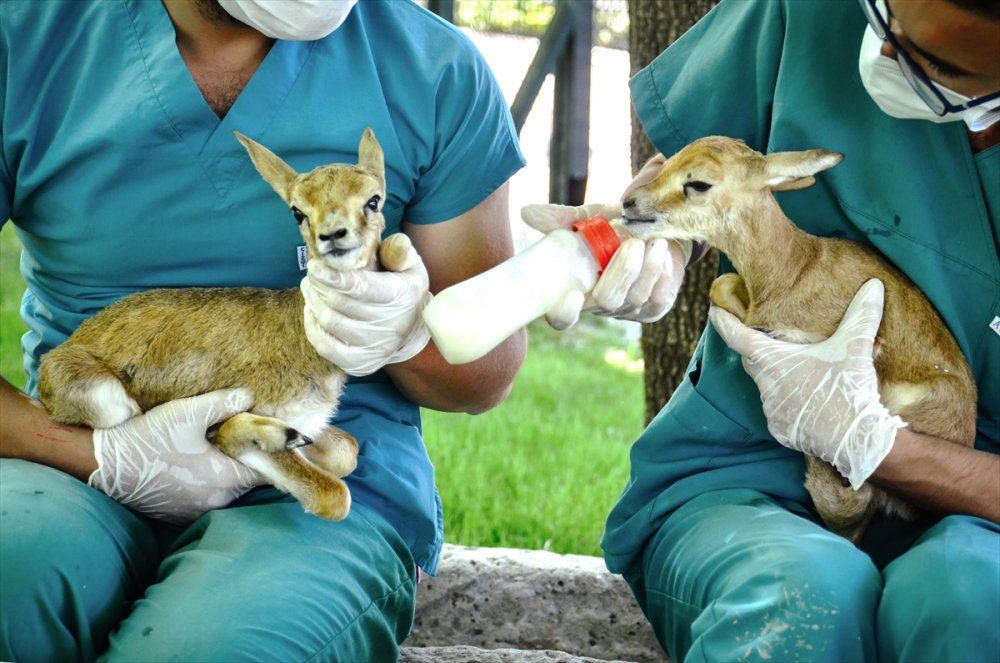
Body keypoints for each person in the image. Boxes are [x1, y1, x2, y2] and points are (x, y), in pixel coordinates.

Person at [0, 1, 683, 660]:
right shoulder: (28, 38)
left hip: (321, 489)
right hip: (71, 457)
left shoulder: (429, 70)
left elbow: (487, 370)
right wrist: (92, 456)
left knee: (219, 648)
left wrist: (408, 332)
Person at [600, 0, 1000, 661]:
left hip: (976, 516)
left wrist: (872, 443)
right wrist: (660, 251)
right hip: (750, 474)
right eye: (882, 13)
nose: (885, 52)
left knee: (969, 602)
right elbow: (701, 167)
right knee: (802, 603)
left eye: (936, 64)